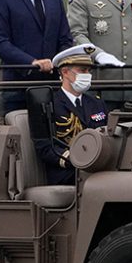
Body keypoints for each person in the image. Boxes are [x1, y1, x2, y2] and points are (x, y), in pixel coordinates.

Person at [26, 44, 109, 185]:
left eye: (88, 70)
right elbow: (44, 146)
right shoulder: (48, 104)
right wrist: (75, 159)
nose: (87, 75)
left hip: (97, 168)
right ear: (65, 72)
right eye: (82, 70)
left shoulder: (97, 103)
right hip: (66, 172)